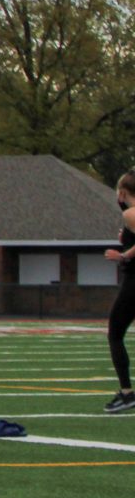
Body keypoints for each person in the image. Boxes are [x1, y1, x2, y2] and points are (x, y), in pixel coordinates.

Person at [106, 172, 135, 413]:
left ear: (123, 192)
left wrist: (123, 255)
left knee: (115, 332)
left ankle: (127, 393)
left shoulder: (130, 212)